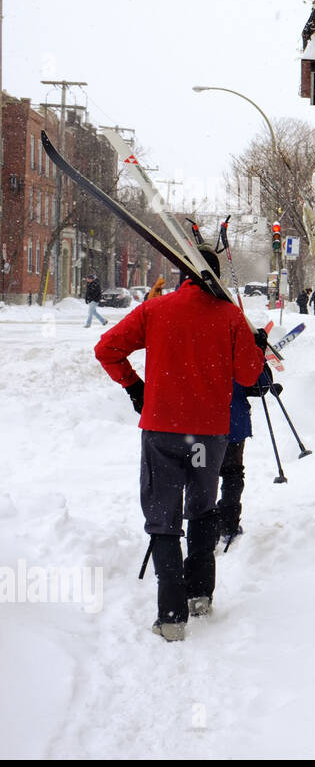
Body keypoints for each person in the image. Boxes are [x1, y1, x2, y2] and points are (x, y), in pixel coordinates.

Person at [94, 247, 267, 641]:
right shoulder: (229, 317)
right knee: (203, 510)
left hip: (162, 432)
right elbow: (248, 375)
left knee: (163, 518)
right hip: (207, 436)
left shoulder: (155, 310)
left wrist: (134, 387)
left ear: (182, 274)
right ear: (216, 276)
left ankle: (171, 616)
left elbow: (106, 349)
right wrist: (253, 344)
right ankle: (200, 594)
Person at [214, 364, 275, 557]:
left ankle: (202, 525)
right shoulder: (237, 342)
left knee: (202, 475)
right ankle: (228, 525)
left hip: (201, 425)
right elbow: (260, 385)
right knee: (232, 473)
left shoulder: (193, 341)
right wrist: (259, 353)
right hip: (233, 423)